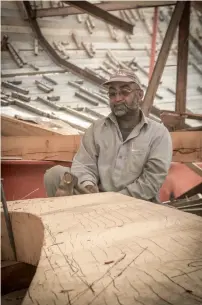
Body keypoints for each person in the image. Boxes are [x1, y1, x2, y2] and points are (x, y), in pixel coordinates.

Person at [44, 69, 172, 202]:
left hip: (136, 205)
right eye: (112, 94)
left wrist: (113, 200)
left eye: (124, 92)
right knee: (55, 174)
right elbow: (84, 165)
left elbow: (151, 180)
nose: (117, 99)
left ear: (140, 95)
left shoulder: (159, 134)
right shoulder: (96, 129)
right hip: (97, 201)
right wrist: (88, 186)